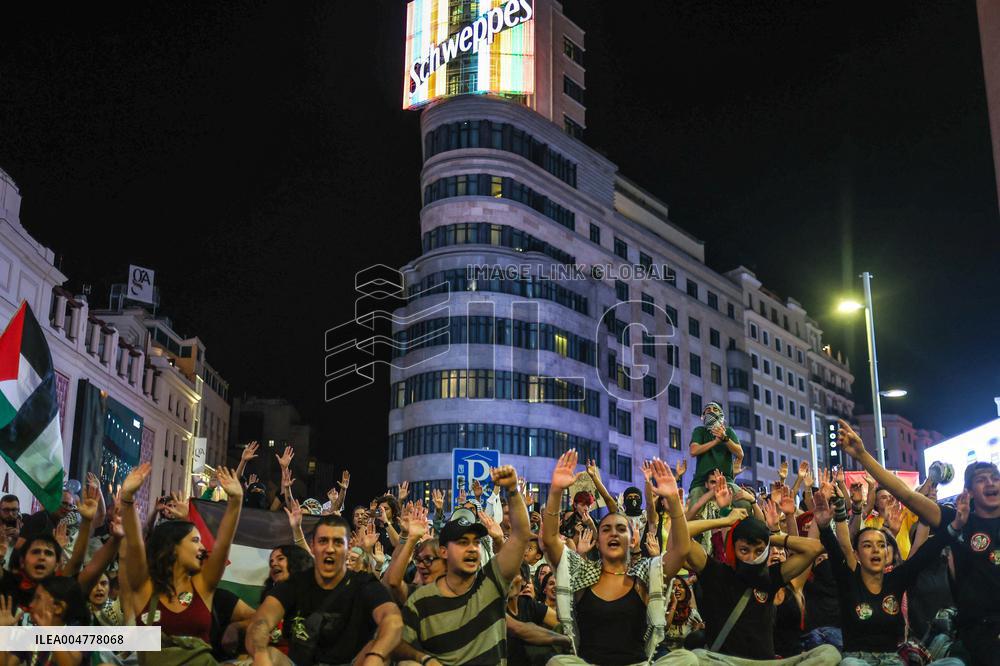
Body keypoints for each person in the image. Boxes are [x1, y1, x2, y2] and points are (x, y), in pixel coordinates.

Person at [836, 419, 1000, 665]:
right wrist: (861, 454)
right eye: (982, 479)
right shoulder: (958, 520)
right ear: (968, 491)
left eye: (995, 477)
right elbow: (906, 494)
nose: (990, 483)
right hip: (980, 630)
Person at [541, 452, 698, 666]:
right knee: (558, 662)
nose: (613, 533)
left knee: (686, 659)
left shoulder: (645, 574)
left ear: (633, 538)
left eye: (620, 528)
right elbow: (550, 540)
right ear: (598, 540)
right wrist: (556, 490)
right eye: (606, 529)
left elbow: (680, 549)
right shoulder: (581, 572)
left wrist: (672, 499)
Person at [811, 481, 963, 665]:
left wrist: (954, 526)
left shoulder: (896, 580)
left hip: (893, 660)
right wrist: (825, 528)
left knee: (954, 663)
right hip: (858, 660)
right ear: (857, 554)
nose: (876, 550)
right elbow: (837, 550)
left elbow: (926, 552)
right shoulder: (848, 580)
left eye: (881, 545)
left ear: (887, 552)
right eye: (867, 545)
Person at [394, 465, 531, 665]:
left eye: (476, 542)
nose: (472, 549)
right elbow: (400, 647)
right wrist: (424, 659)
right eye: (462, 542)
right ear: (443, 551)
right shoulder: (421, 599)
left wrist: (512, 489)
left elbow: (521, 536)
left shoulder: (491, 583)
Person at [684, 512, 840, 664]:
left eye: (759, 551)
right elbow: (682, 533)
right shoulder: (716, 572)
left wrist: (768, 537)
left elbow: (814, 548)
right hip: (724, 661)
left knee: (829, 653)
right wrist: (726, 521)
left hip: (765, 662)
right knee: (686, 658)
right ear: (733, 548)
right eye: (744, 550)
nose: (751, 558)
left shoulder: (770, 577)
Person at [246, 514, 402, 666]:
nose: (330, 549)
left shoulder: (365, 584)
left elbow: (392, 620)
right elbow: (261, 621)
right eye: (323, 541)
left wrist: (376, 655)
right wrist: (260, 653)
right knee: (270, 656)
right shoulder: (294, 584)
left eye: (338, 542)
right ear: (312, 547)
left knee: (380, 653)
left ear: (349, 549)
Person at [119, 462, 242, 650]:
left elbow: (223, 543)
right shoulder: (143, 587)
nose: (202, 548)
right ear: (172, 547)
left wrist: (236, 501)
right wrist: (127, 498)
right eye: (195, 541)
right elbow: (135, 543)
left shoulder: (203, 585)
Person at [0, 576, 90, 666]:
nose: (31, 604)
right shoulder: (31, 635)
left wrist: (50, 633)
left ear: (58, 608)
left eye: (38, 598)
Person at [686, 403, 751, 517]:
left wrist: (724, 438)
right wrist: (715, 442)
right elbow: (693, 450)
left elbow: (740, 453)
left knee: (744, 505)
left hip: (727, 481)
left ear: (721, 415)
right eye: (707, 410)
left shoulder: (729, 431)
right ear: (703, 417)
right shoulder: (700, 431)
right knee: (692, 512)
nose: (711, 411)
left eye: (715, 409)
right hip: (701, 482)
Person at [505, 563, 569, 665]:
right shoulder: (497, 608)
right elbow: (521, 630)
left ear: (524, 581)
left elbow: (564, 624)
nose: (509, 580)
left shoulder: (528, 604)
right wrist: (565, 640)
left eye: (514, 574)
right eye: (504, 575)